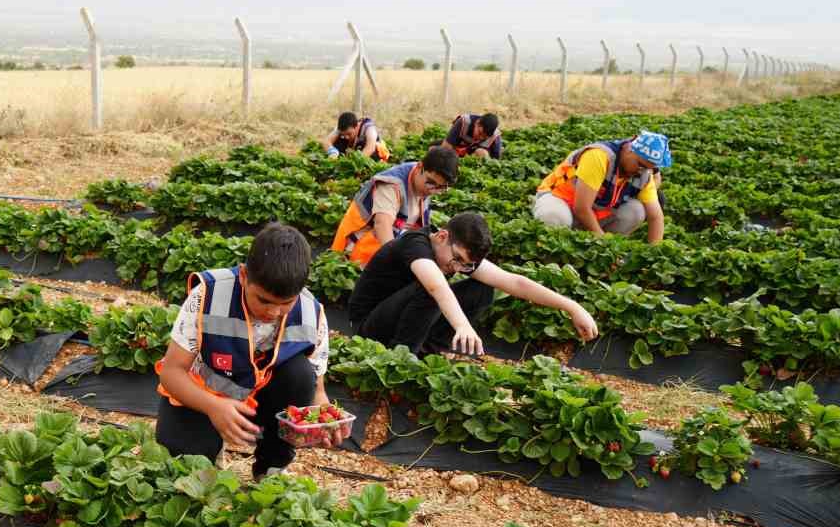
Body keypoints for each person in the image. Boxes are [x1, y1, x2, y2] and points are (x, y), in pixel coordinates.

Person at [156, 222, 350, 479]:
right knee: (185, 463)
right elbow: (171, 372)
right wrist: (214, 407)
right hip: (202, 395)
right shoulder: (209, 295)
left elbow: (317, 390)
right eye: (264, 300)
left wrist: (325, 419)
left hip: (261, 402)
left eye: (285, 304)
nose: (273, 312)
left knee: (302, 375)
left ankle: (271, 466)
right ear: (245, 276)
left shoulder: (311, 312)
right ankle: (208, 450)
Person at [347, 212, 600, 356]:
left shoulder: (455, 256)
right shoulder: (416, 244)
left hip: (402, 316)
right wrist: (462, 325)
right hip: (369, 325)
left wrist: (572, 307)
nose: (457, 268)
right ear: (443, 236)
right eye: (456, 259)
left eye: (465, 265)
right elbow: (436, 286)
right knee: (432, 288)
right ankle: (401, 358)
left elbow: (514, 282)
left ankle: (428, 352)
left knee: (482, 289)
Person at [330, 144, 459, 268]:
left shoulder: (425, 180)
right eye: (431, 183)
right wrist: (395, 263)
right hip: (360, 248)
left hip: (397, 237)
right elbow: (382, 225)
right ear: (420, 166)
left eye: (441, 188)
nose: (433, 191)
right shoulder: (391, 185)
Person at [531, 131, 671, 244]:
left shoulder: (644, 173)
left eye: (648, 169)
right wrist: (604, 244)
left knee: (636, 211)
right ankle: (554, 254)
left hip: (593, 209)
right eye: (640, 164)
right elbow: (582, 208)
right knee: (555, 217)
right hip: (559, 198)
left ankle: (589, 245)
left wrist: (654, 253)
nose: (642, 171)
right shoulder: (599, 156)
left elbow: (656, 217)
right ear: (629, 149)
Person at [324, 111, 391, 160]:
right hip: (354, 150)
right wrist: (332, 152)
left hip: (374, 152)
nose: (347, 137)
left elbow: (370, 148)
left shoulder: (369, 128)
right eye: (344, 135)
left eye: (349, 134)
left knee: (372, 150)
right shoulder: (342, 127)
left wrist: (354, 162)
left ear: (356, 127)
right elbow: (326, 141)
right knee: (337, 142)